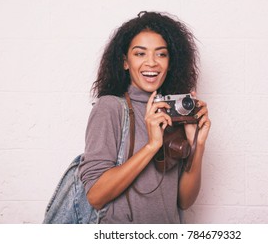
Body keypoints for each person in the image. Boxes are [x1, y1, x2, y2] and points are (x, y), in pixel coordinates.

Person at [78, 11, 211, 224]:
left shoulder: (172, 110)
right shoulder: (110, 108)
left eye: (161, 54)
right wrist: (152, 145)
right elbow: (95, 195)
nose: (152, 63)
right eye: (140, 54)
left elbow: (185, 201)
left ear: (171, 62)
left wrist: (198, 145)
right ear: (125, 62)